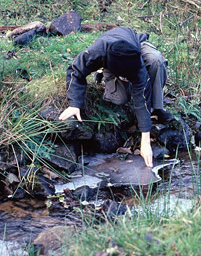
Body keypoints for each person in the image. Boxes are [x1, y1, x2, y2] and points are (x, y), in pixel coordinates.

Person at [59, 27, 174, 168]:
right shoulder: (97, 51)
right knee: (120, 98)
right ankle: (102, 76)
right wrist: (74, 104)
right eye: (126, 77)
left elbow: (141, 97)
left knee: (156, 61)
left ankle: (157, 109)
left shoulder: (137, 64)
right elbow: (75, 70)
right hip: (110, 60)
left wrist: (145, 141)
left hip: (135, 43)